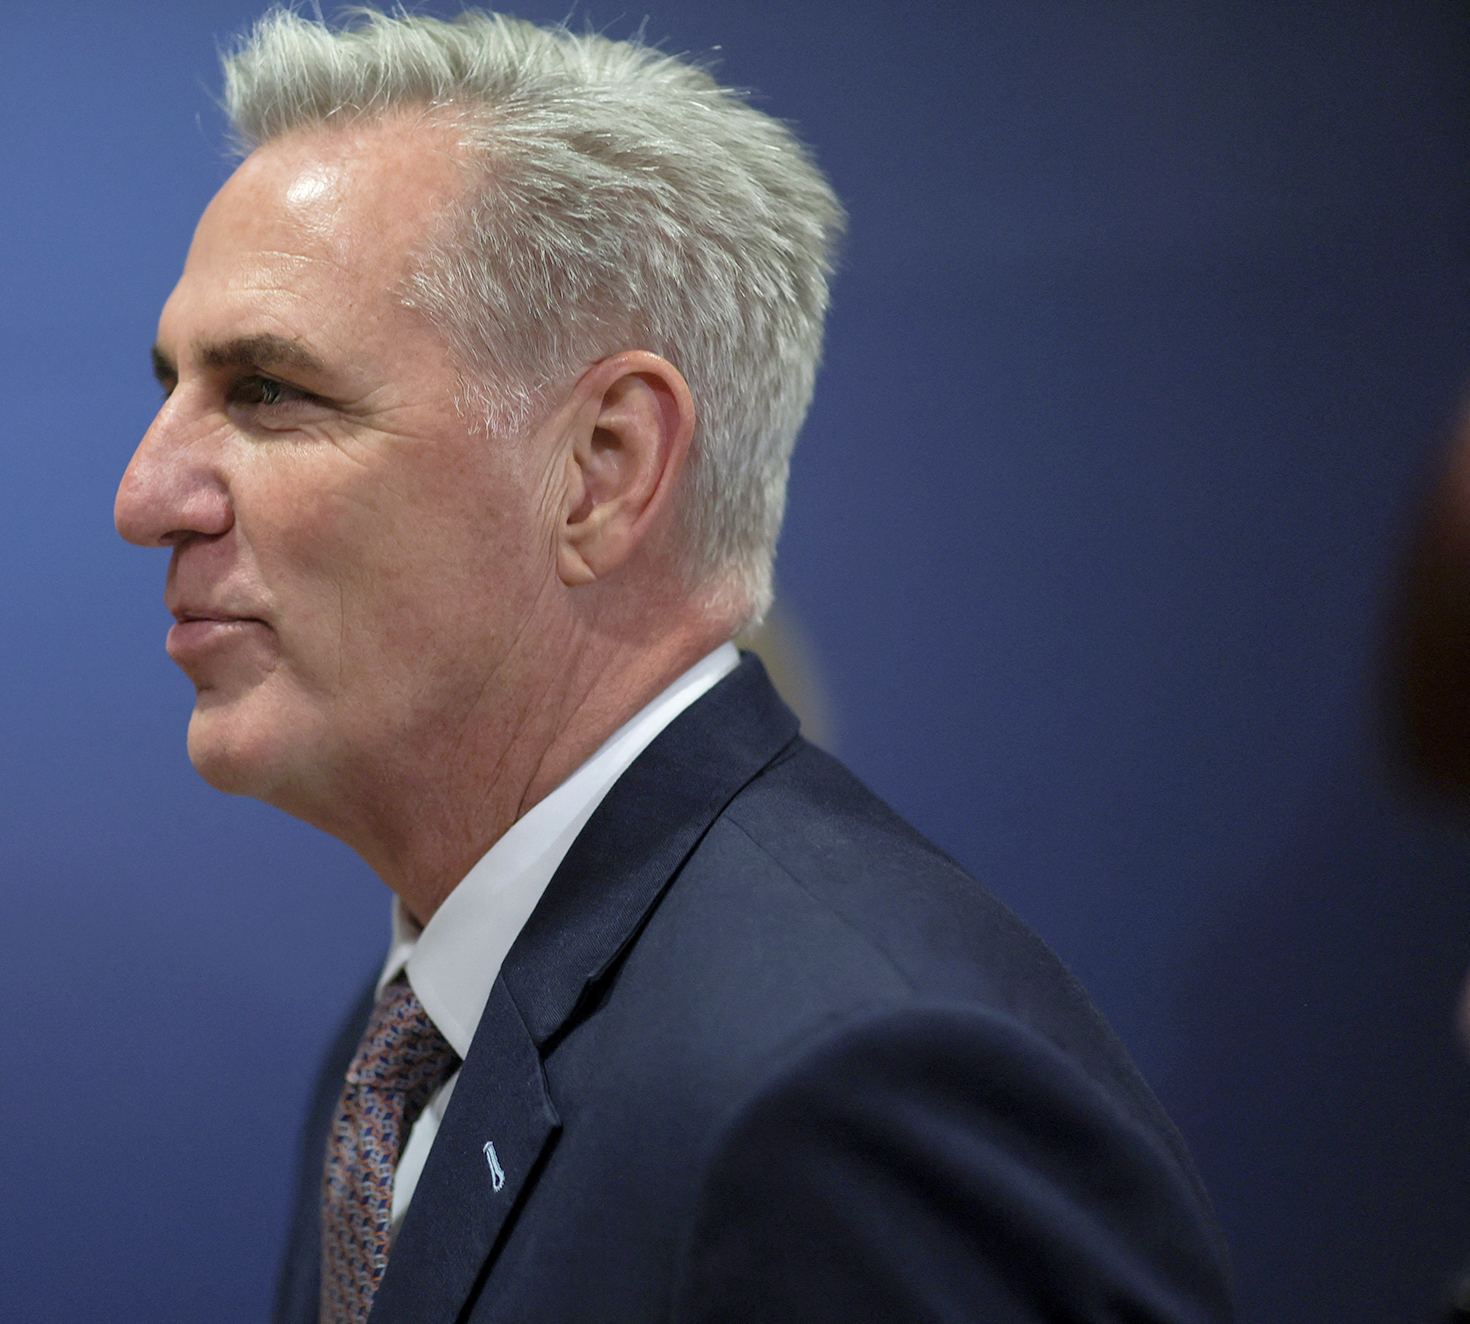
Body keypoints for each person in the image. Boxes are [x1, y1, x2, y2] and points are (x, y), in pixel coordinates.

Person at [115, 10, 1233, 1322]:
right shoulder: (407, 1050)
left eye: (266, 394)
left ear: (603, 471)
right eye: (171, 385)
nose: (148, 494)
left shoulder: (844, 1077)